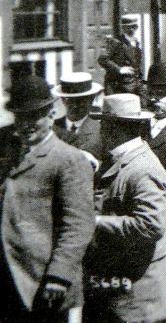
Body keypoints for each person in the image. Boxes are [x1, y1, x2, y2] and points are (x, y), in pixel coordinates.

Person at [0, 75, 95, 323]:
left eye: (35, 116)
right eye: (21, 117)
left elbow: (78, 225)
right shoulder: (8, 153)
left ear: (51, 114)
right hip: (10, 279)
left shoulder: (69, 159)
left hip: (45, 281)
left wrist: (59, 275)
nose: (27, 124)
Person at [84, 93, 166, 323]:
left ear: (112, 128)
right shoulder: (123, 160)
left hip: (142, 292)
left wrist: (95, 221)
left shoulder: (142, 168)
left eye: (103, 124)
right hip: (128, 286)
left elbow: (150, 224)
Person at [52, 71, 104, 165]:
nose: (75, 105)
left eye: (81, 100)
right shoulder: (52, 127)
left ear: (91, 99)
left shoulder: (100, 130)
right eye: (69, 100)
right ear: (63, 100)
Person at [99, 15, 144, 93]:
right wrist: (120, 69)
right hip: (118, 85)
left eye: (134, 27)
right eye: (129, 27)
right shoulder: (116, 42)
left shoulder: (136, 43)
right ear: (123, 28)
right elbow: (102, 59)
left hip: (134, 83)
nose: (132, 29)